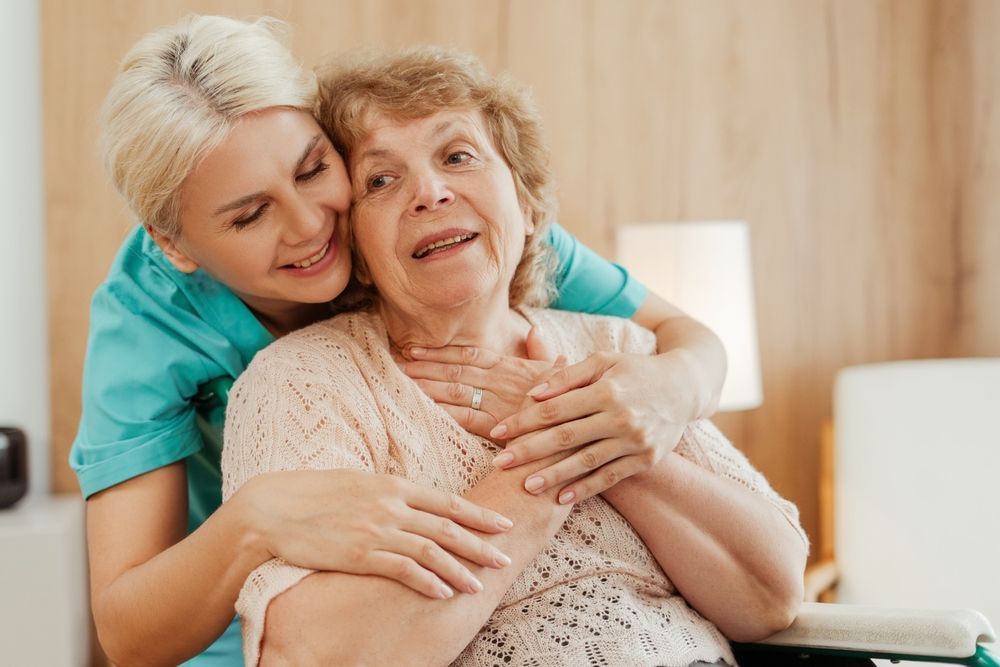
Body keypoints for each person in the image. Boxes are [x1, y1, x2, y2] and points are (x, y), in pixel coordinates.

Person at [70, 15, 729, 667]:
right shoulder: (147, 325)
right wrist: (252, 522)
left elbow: (687, 337)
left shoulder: (455, 229)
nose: (310, 227)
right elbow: (128, 635)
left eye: (311, 169)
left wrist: (670, 389)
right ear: (175, 244)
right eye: (250, 214)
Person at [221, 46, 808, 666]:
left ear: (528, 207)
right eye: (381, 180)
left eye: (458, 156)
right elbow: (313, 656)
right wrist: (555, 436)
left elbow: (772, 595)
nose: (430, 191)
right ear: (356, 249)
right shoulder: (305, 382)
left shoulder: (620, 352)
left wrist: (608, 435)